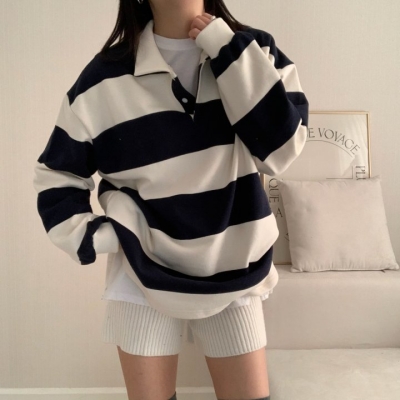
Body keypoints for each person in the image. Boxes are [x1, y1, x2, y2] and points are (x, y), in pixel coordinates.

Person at [33, 0, 309, 399]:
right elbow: (56, 173)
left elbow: (281, 152)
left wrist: (226, 50)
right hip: (142, 275)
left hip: (237, 267)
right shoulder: (104, 77)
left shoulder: (254, 50)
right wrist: (99, 236)